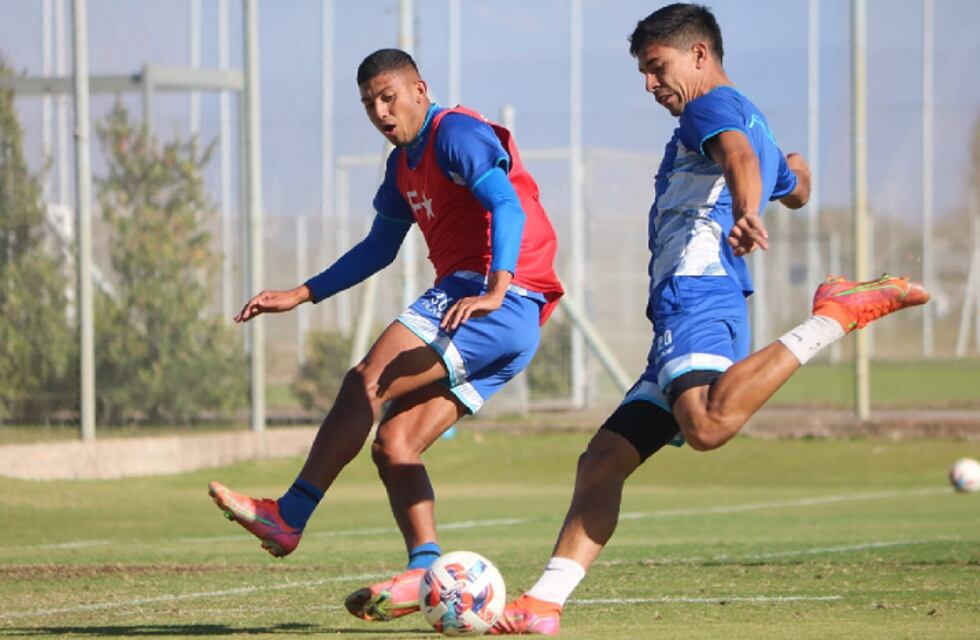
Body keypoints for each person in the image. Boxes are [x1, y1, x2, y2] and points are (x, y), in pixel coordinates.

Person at [490, 4, 928, 635]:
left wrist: (750, 207)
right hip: (687, 302)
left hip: (696, 291)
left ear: (699, 55)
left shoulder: (709, 108)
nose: (650, 83)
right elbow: (793, 180)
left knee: (708, 422)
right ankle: (544, 603)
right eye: (643, 71)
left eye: (656, 66)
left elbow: (740, 159)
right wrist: (793, 170)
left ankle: (834, 315)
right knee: (604, 460)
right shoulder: (745, 116)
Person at [207, 48, 563, 624]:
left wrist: (496, 288)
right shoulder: (403, 167)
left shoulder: (457, 134)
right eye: (369, 103)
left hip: (494, 298)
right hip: (505, 319)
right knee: (395, 445)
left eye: (388, 97)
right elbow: (379, 247)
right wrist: (301, 293)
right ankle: (426, 569)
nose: (380, 111)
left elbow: (505, 203)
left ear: (420, 89)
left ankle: (290, 514)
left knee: (365, 379)